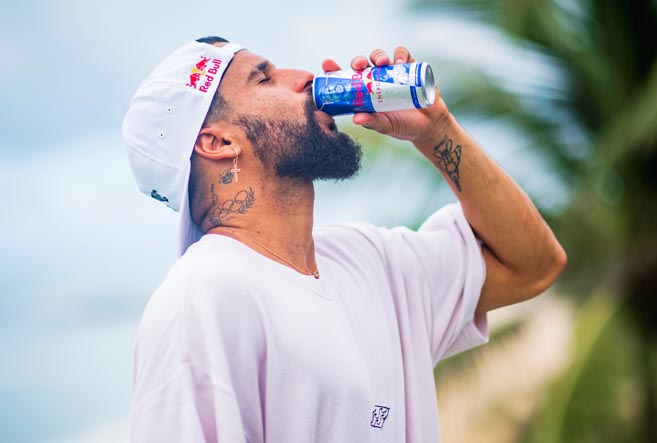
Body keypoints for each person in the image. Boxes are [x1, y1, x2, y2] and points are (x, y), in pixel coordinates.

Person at [122, 36, 566, 443]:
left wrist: (436, 131)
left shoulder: (369, 259)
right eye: (265, 78)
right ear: (218, 142)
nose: (304, 77)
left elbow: (533, 266)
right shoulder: (201, 299)